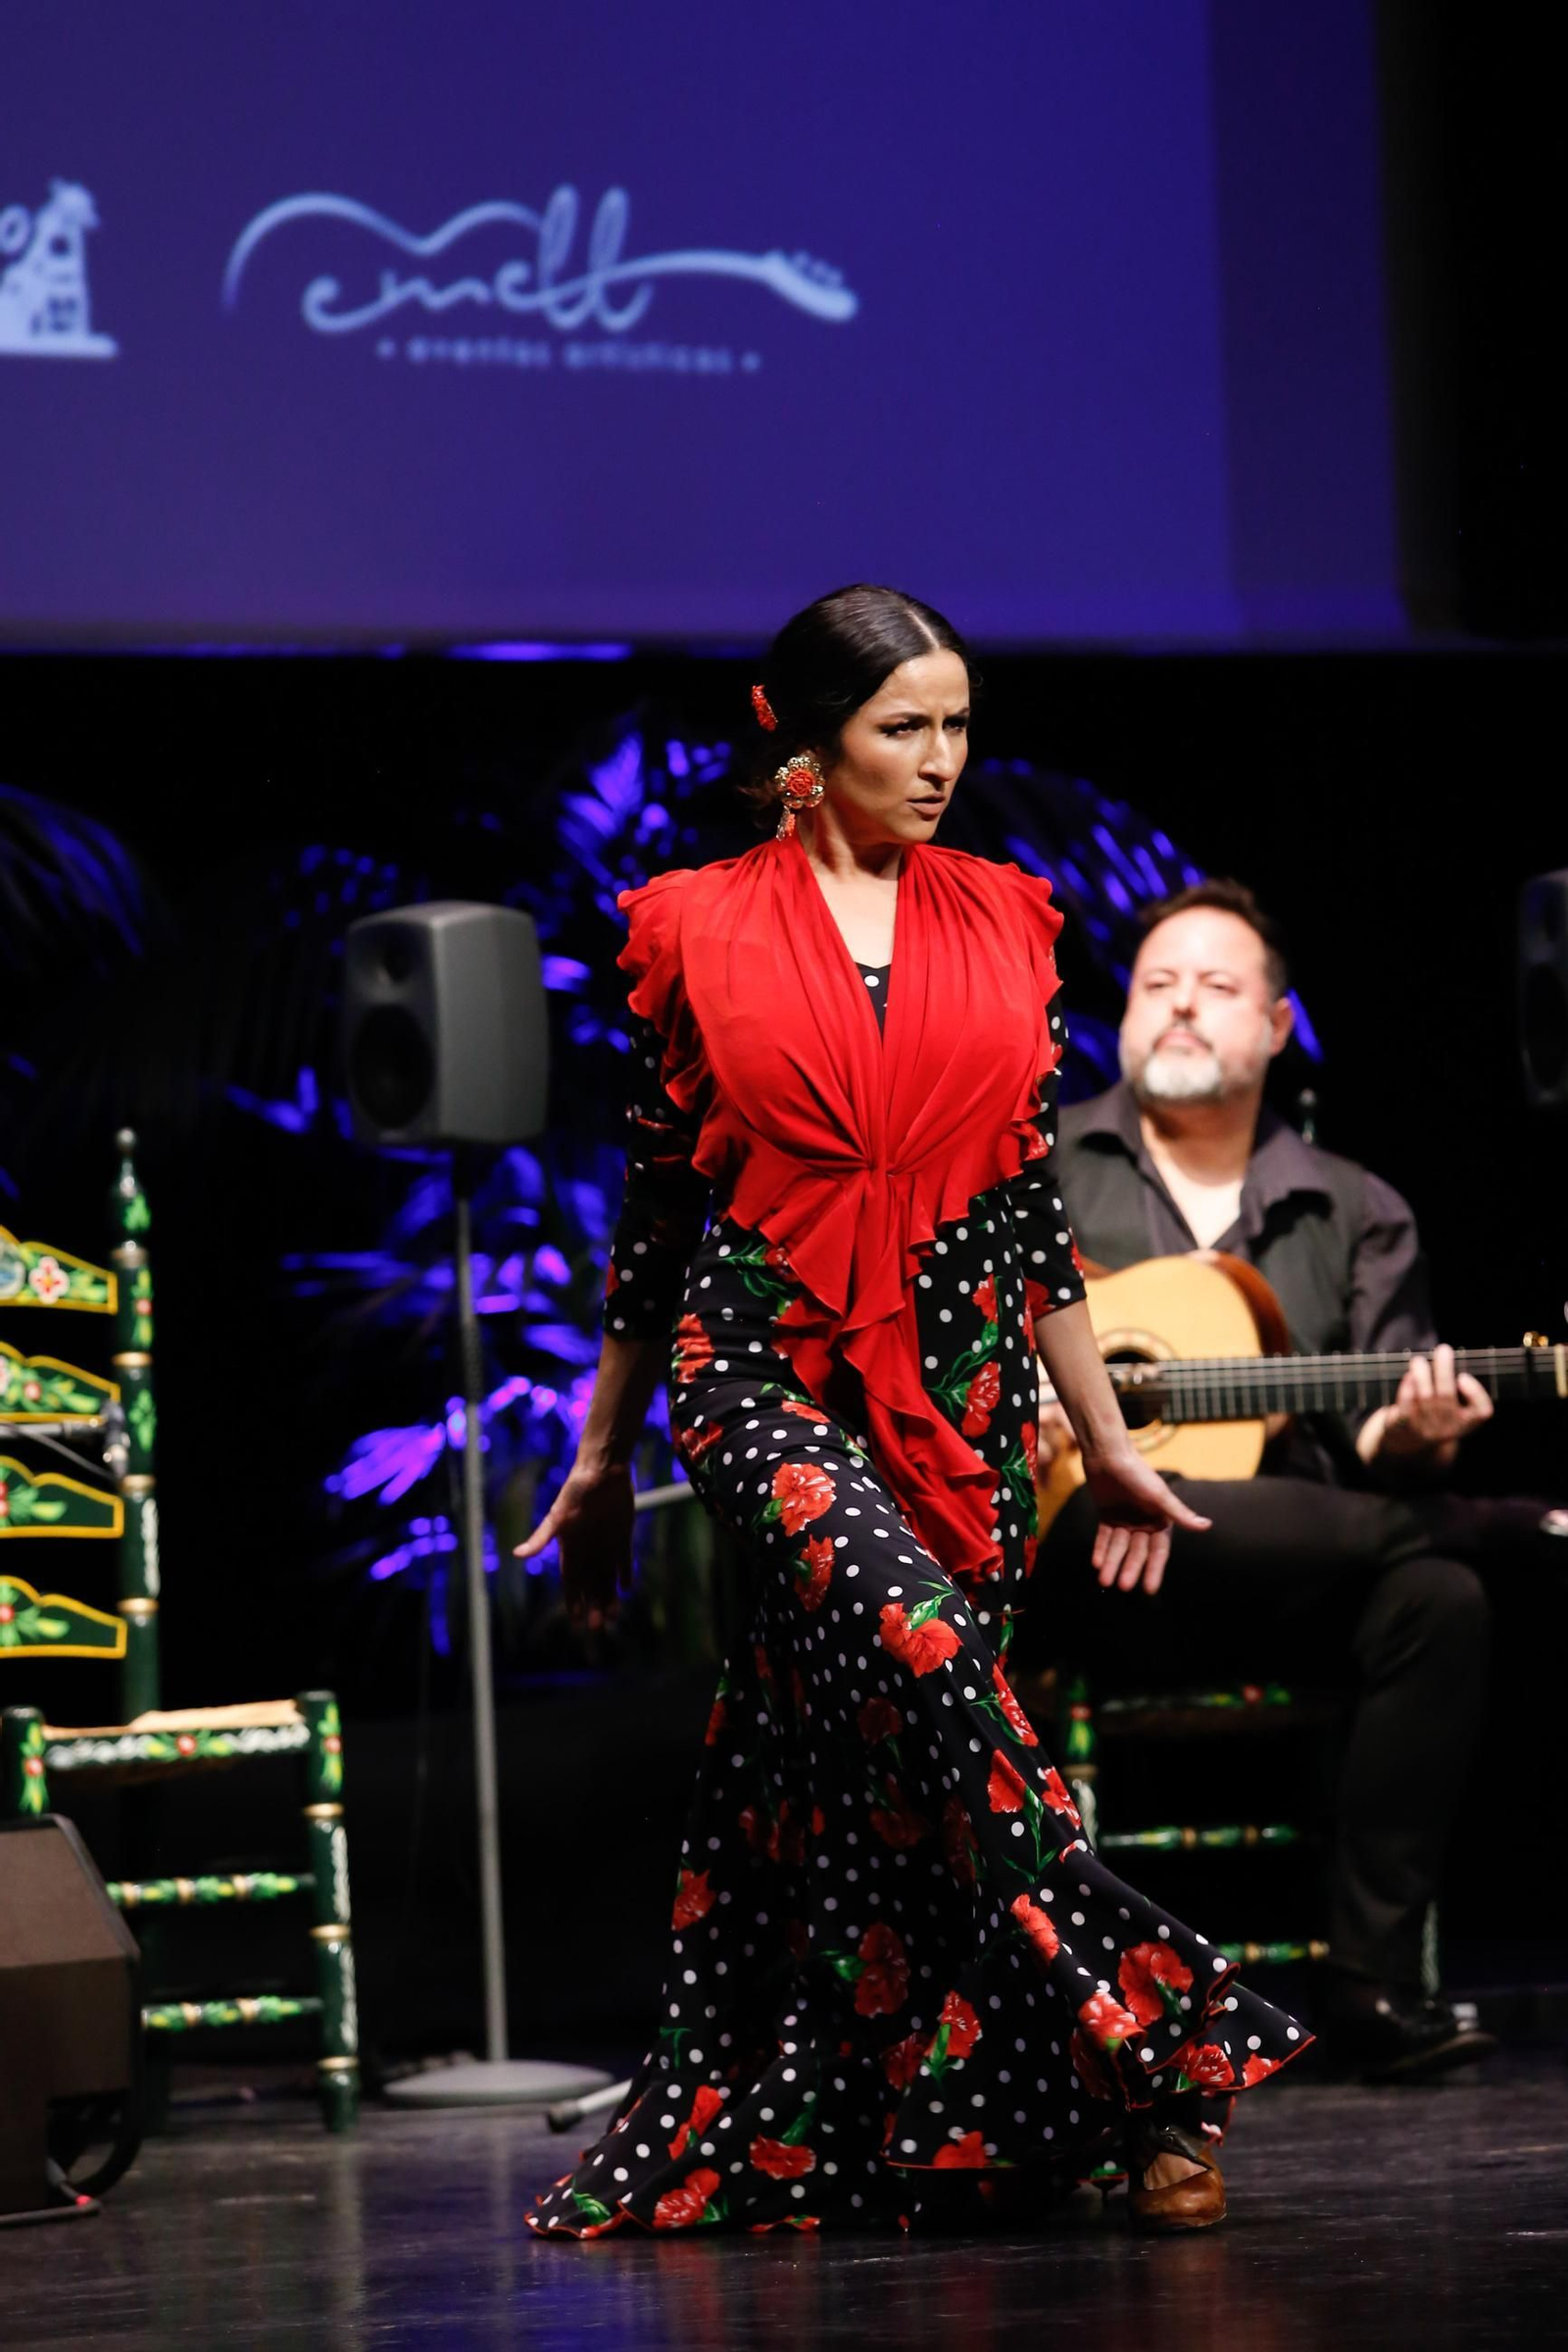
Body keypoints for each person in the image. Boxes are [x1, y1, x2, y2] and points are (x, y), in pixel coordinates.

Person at [518, 588, 1307, 2241]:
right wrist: (597, 1458)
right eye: (904, 729)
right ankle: (1165, 2044)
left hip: (951, 1400)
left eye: (957, 724)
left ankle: (882, 2123)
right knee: (935, 1674)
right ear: (803, 748)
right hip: (757, 1375)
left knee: (864, 1778)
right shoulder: (687, 926)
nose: (944, 760)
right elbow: (661, 1216)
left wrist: (1104, 1443)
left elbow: (1028, 1217)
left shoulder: (1001, 920)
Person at [1028, 878, 1497, 2082]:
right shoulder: (1039, 1175)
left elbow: (1373, 1440)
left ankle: (1371, 1989)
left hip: (1297, 1574)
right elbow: (952, 1357)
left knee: (1439, 1598)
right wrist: (1025, 1408)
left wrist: (1418, 1436)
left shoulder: (1355, 1208)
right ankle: (1512, 1526)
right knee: (1424, 1540)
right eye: (1156, 985)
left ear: (1278, 1026)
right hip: (1095, 1570)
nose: (1180, 1008)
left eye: (1216, 987)